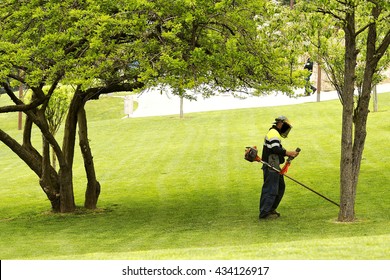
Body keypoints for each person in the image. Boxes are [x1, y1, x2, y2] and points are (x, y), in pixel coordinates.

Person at [259, 116, 299, 220]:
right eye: (285, 127)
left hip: (274, 165)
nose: (286, 130)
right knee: (271, 189)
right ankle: (265, 213)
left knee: (280, 187)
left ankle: (271, 209)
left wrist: (289, 154)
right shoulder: (273, 134)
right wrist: (289, 152)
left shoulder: (275, 134)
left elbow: (278, 150)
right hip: (270, 166)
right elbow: (276, 149)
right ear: (280, 124)